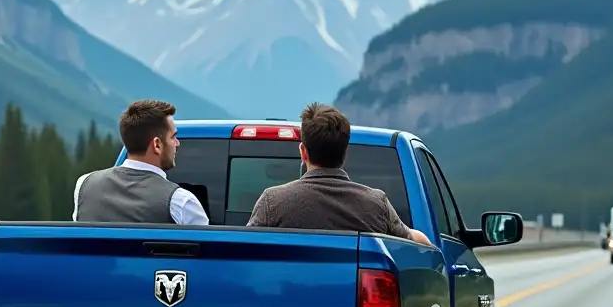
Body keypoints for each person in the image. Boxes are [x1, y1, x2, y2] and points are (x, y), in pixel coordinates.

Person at [246, 102, 432, 246]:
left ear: (303, 152)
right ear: (345, 152)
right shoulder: (376, 204)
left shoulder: (272, 202)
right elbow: (414, 240)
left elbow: (241, 250)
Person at [72, 99, 209, 226]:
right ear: (157, 145)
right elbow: (210, 250)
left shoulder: (84, 185)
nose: (177, 143)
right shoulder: (181, 202)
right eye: (173, 137)